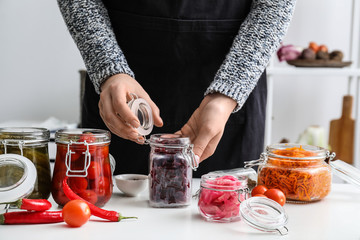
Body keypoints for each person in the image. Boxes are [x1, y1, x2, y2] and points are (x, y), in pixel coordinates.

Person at [57, 0, 296, 177]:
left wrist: (227, 93)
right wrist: (109, 68)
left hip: (228, 88)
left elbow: (274, 5)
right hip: (122, 84)